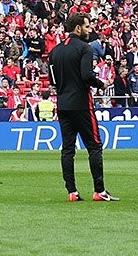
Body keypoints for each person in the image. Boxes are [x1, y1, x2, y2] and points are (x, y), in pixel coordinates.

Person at [47, 13, 116, 202]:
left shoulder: (55, 51)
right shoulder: (84, 48)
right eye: (87, 27)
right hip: (82, 105)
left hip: (62, 105)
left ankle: (72, 191)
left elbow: (52, 80)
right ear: (78, 28)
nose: (89, 30)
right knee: (94, 146)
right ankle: (99, 191)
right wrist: (102, 84)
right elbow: (87, 75)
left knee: (68, 149)